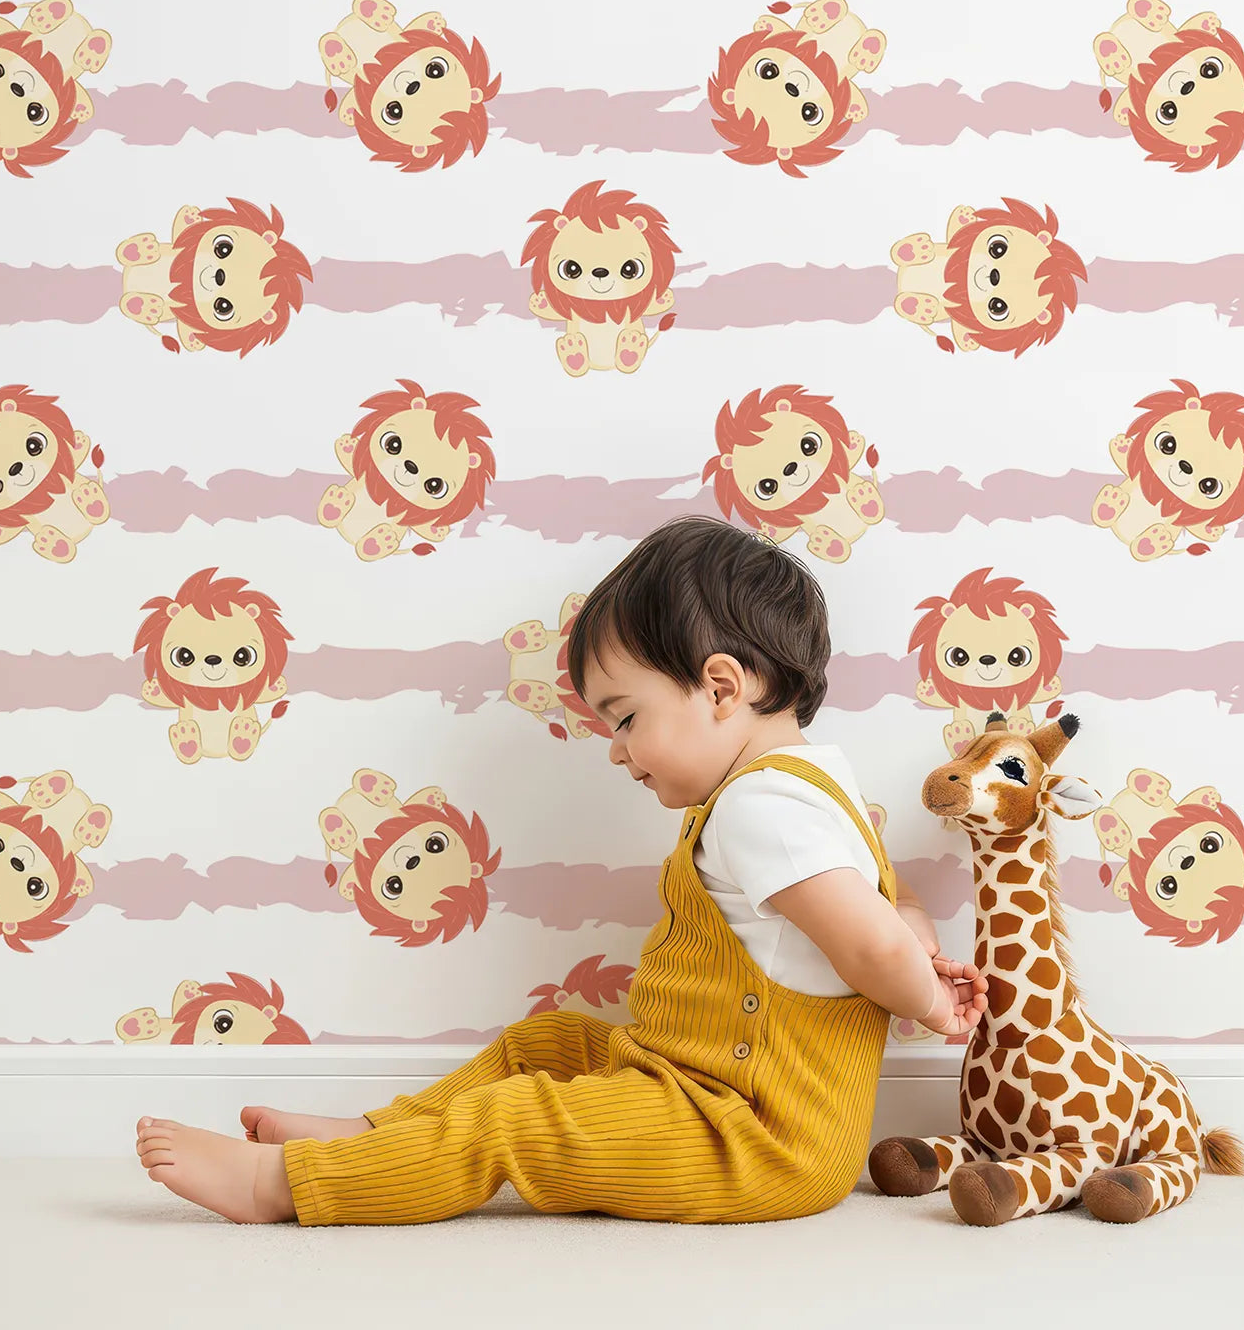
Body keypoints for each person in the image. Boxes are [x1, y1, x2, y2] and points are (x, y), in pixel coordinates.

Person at [134, 515, 987, 1224]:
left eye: (624, 718)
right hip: (703, 1091)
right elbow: (892, 903)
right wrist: (923, 945)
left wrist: (927, 997)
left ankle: (287, 1186)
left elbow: (871, 949)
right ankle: (363, 1133)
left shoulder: (759, 808)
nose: (618, 753)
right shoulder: (821, 786)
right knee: (548, 1044)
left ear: (722, 689)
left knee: (521, 1119)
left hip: (753, 1138)